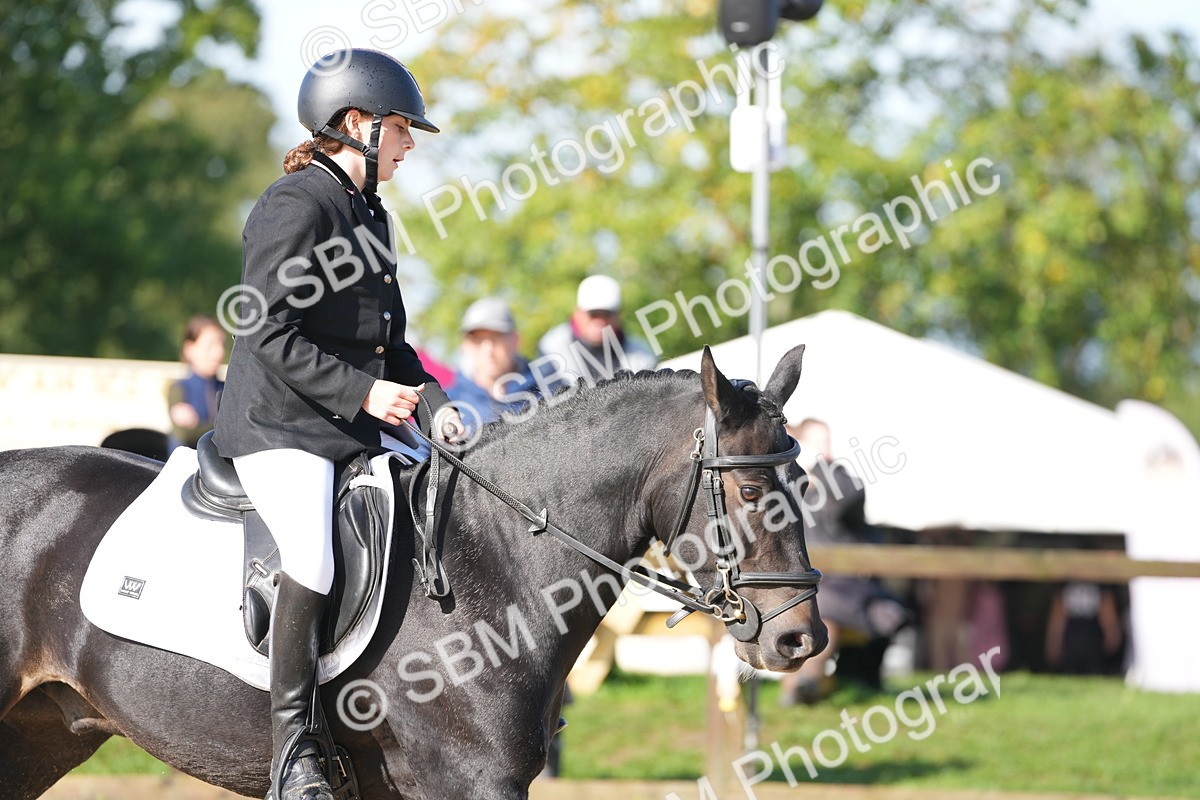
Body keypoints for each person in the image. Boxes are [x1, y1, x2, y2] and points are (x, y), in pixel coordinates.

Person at [211, 49, 461, 800]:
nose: (409, 144)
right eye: (401, 129)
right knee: (313, 561)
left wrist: (441, 409)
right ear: (356, 124)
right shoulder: (297, 205)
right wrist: (363, 394)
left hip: (343, 420)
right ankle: (294, 749)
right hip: (277, 424)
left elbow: (391, 343)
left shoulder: (367, 210)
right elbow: (266, 331)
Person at [780, 418, 908, 705]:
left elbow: (844, 502)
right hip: (807, 585)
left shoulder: (842, 481)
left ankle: (803, 684)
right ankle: (800, 685)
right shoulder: (786, 486)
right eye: (817, 443)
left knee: (823, 614)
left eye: (826, 442)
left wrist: (819, 467)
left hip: (849, 585)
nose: (825, 450)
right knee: (809, 610)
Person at [536, 274, 657, 384]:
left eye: (607, 315)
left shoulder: (642, 354)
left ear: (619, 315)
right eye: (593, 314)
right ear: (576, 313)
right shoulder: (551, 349)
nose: (600, 322)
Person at [446, 297, 539, 430]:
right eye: (478, 340)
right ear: (464, 345)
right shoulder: (447, 405)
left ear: (515, 340)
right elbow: (419, 448)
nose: (488, 349)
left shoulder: (547, 391)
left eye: (497, 338)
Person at [167, 315, 227, 449]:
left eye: (222, 345)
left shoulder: (228, 389)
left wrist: (199, 425)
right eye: (210, 345)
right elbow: (184, 434)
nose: (219, 352)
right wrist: (224, 427)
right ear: (190, 349)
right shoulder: (179, 389)